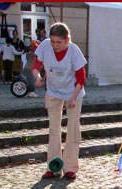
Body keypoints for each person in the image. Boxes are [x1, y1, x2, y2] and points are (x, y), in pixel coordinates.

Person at [32, 22, 87, 180]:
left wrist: (72, 98)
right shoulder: (46, 46)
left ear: (67, 40)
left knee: (72, 129)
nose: (55, 45)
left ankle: (70, 167)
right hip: (53, 91)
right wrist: (39, 78)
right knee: (54, 129)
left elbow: (81, 78)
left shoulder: (74, 51)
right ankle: (54, 167)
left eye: (59, 42)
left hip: (73, 92)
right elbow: (36, 65)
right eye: (53, 41)